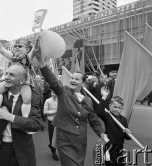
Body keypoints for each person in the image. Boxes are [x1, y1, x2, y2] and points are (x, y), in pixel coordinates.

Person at [34, 37, 108, 166]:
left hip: (80, 140)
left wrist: (101, 134)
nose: (72, 80)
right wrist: (40, 59)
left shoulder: (88, 100)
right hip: (65, 139)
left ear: (83, 83)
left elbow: (93, 119)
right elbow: (52, 79)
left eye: (77, 79)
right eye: (72, 78)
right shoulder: (63, 91)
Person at [0, 64, 42, 166]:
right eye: (6, 74)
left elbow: (35, 124)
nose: (7, 77)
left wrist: (9, 116)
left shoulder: (33, 97)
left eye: (12, 75)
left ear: (22, 81)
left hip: (21, 153)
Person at [0, 26, 35, 121]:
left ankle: (24, 120)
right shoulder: (12, 57)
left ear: (27, 49)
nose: (17, 47)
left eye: (20, 46)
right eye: (15, 46)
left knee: (27, 98)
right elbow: (1, 49)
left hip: (24, 82)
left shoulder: (27, 57)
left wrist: (38, 40)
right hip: (10, 81)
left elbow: (35, 50)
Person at [96, 86, 131, 166]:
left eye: (119, 108)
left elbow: (127, 137)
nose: (117, 109)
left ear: (122, 109)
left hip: (120, 148)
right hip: (109, 147)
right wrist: (104, 96)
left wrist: (128, 133)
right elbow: (100, 112)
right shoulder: (108, 116)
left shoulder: (124, 119)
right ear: (109, 106)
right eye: (114, 107)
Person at [44, 91, 59, 161]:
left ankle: (52, 145)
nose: (54, 94)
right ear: (50, 93)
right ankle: (54, 152)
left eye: (55, 92)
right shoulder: (48, 101)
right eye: (53, 92)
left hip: (60, 121)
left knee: (59, 137)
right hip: (51, 121)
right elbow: (45, 112)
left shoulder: (60, 100)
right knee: (52, 136)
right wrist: (54, 112)